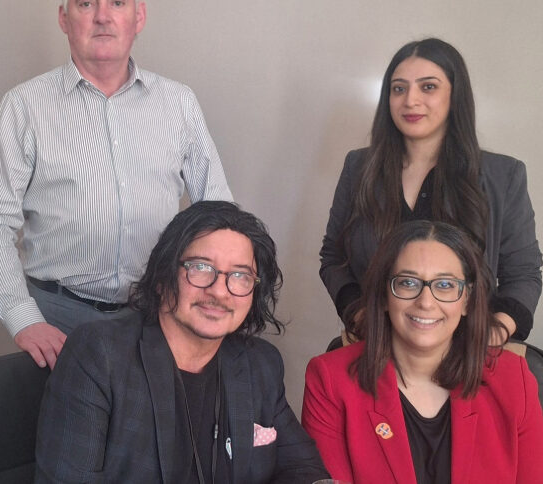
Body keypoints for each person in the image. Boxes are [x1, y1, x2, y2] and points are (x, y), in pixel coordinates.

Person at [0, 0, 232, 370]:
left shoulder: (179, 104)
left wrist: (207, 303)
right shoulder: (25, 106)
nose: (102, 16)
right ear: (64, 18)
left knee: (150, 431)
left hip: (158, 317)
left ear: (138, 17)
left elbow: (219, 217)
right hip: (59, 321)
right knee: (66, 431)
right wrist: (23, 317)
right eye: (86, 2)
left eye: (117, 2)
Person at [35, 201, 329, 483]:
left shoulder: (260, 363)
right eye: (201, 267)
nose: (220, 291)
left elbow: (303, 468)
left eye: (240, 275)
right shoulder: (99, 355)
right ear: (164, 277)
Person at [319, 37, 541, 344]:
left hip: (469, 353)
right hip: (374, 347)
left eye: (428, 87)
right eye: (399, 88)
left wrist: (493, 333)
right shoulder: (359, 167)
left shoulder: (503, 175)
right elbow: (333, 257)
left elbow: (524, 274)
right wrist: (359, 316)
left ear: (455, 95)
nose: (410, 100)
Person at [303, 220, 543, 483]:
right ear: (384, 295)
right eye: (408, 282)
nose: (426, 303)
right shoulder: (329, 380)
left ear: (466, 300)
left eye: (445, 285)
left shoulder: (513, 378)